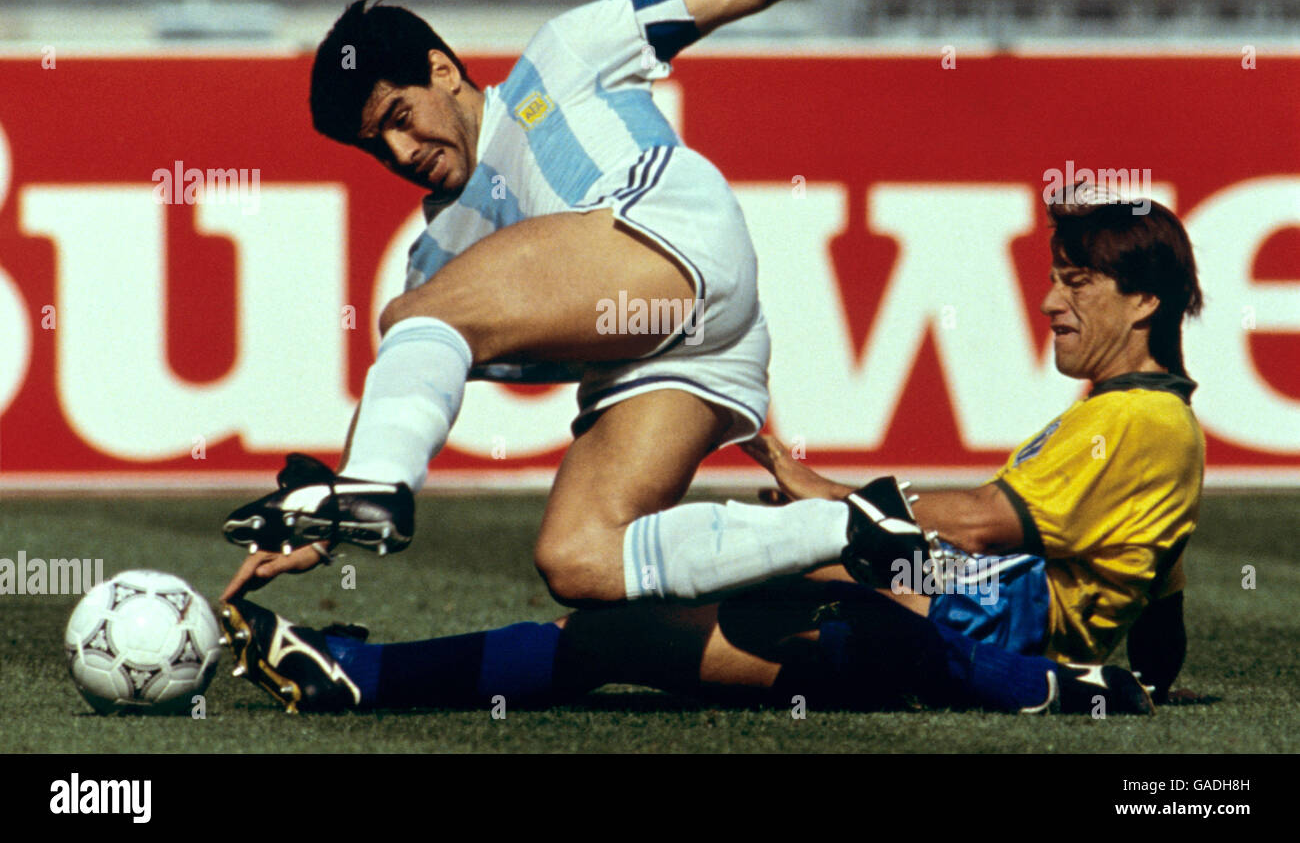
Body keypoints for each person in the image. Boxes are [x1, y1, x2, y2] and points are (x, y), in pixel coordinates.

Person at [219, 0, 1004, 609]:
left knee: (416, 311)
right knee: (579, 558)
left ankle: (377, 491)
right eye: (374, 145)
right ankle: (855, 532)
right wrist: (326, 522)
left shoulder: (563, 55)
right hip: (690, 355)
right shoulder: (440, 254)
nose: (398, 150)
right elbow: (409, 359)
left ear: (444, 71)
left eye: (399, 115)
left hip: (671, 234)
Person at [218, 188, 1203, 717]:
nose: (1048, 301)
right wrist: (1149, 666)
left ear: (1143, 301)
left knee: (615, 621)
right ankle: (358, 673)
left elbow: (984, 524)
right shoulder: (1143, 423)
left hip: (954, 625)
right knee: (624, 606)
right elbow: (1158, 583)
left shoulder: (1133, 421)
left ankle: (364, 674)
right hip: (945, 604)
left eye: (1073, 281)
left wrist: (834, 524)